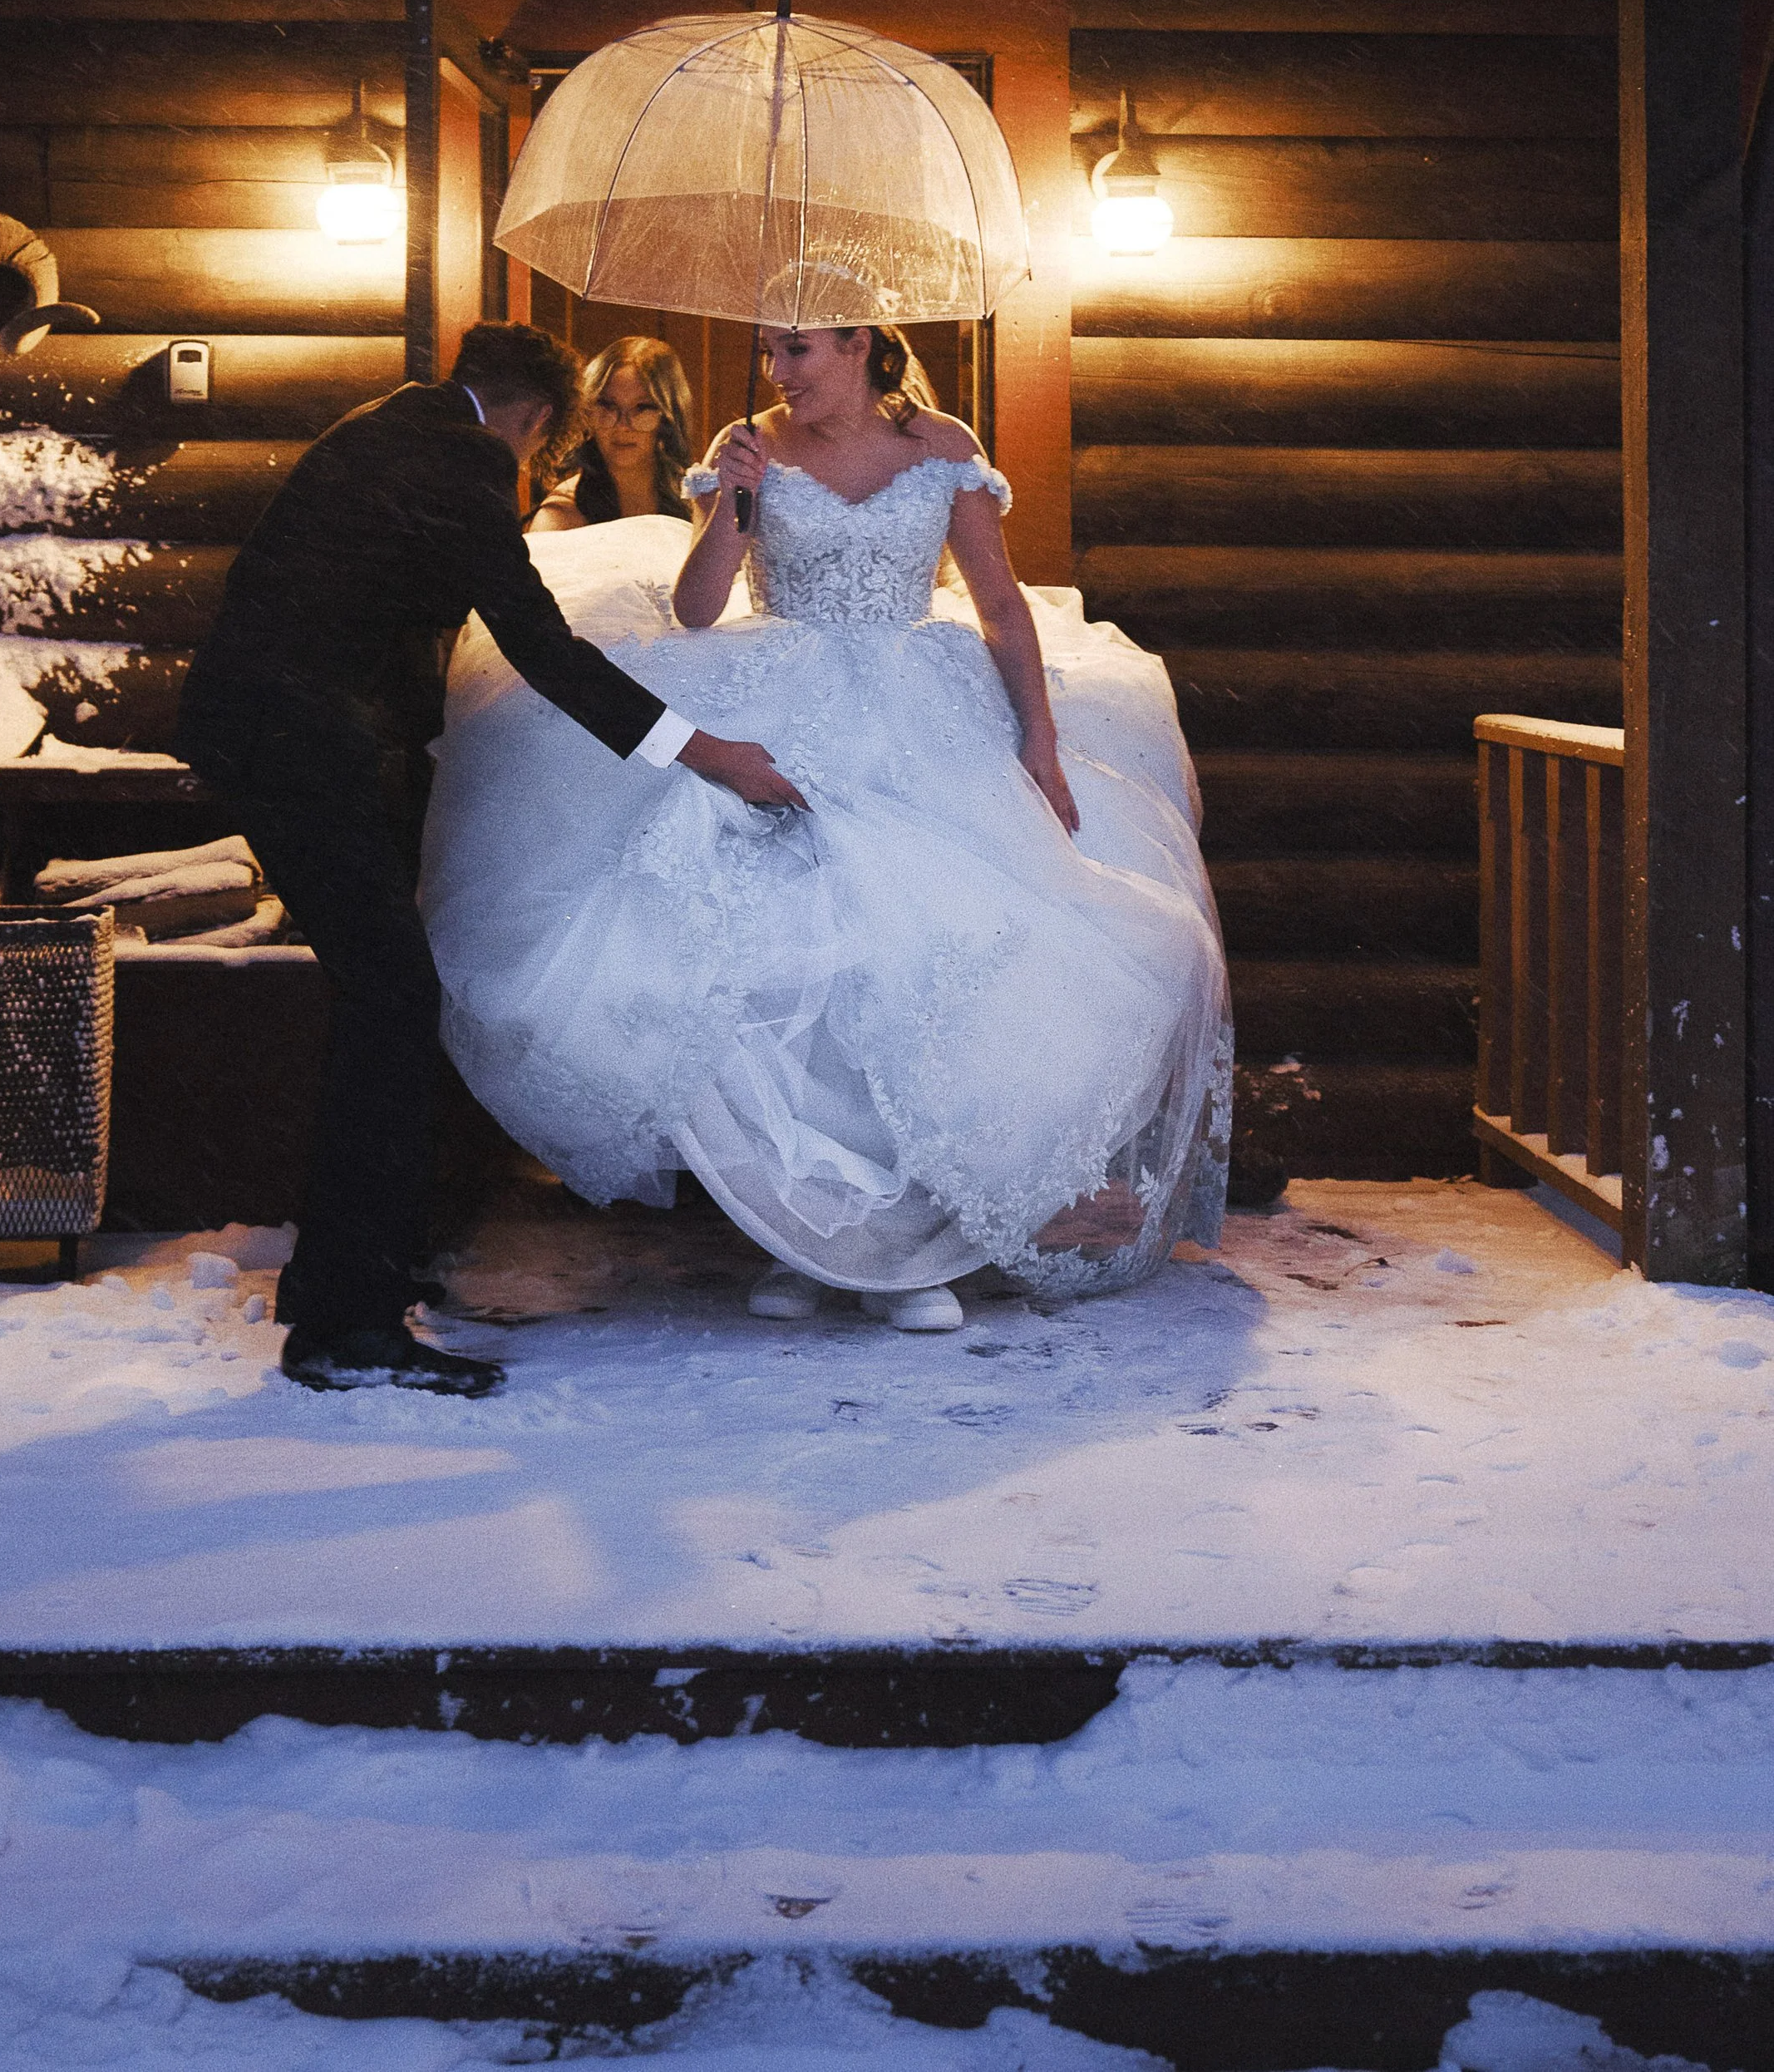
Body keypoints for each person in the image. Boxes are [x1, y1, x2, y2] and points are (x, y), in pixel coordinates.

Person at [424, 322, 1232, 1332]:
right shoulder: (743, 445)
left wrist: (1038, 741)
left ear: (861, 349)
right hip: (779, 698)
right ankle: (806, 1235)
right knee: (780, 958)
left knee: (925, 953)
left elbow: (999, 607)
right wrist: (739, 499)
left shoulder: (943, 447)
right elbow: (697, 609)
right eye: (770, 350)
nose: (778, 372)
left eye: (798, 350)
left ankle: (906, 1250)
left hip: (919, 709)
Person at [176, 322, 806, 1396]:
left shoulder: (393, 424)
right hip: (289, 737)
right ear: (542, 423)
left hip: (268, 727)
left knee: (382, 994)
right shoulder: (465, 465)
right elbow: (545, 649)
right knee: (395, 998)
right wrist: (708, 753)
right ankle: (350, 1324)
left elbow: (384, 610)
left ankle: (339, 1289)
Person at [530, 336, 695, 529]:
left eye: (642, 408)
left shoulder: (699, 503)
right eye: (607, 406)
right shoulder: (559, 516)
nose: (623, 425)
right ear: (586, 411)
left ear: (667, 418)